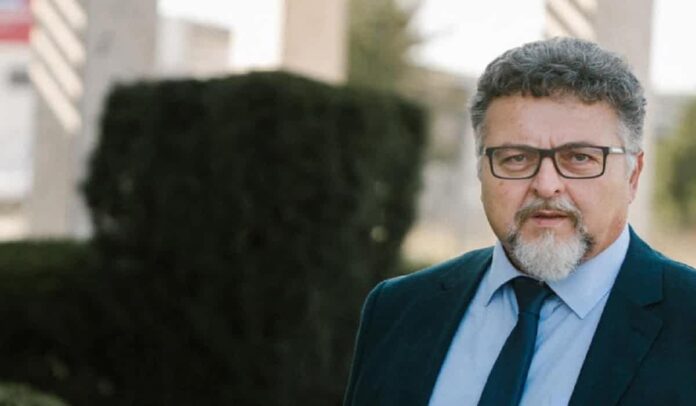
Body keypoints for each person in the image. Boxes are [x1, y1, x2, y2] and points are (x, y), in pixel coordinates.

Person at [344, 37, 696, 406]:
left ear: (633, 175)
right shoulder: (398, 309)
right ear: (481, 169)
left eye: (579, 157)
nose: (546, 185)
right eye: (516, 158)